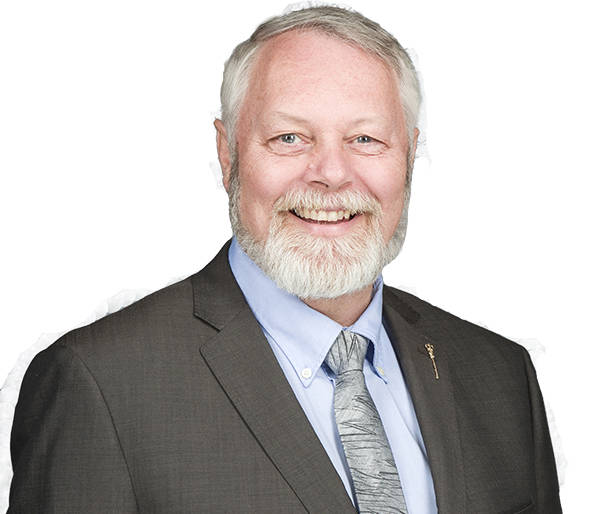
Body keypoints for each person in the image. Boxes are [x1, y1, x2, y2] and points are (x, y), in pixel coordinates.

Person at [8, 5, 561, 513]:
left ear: (410, 155)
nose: (332, 173)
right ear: (227, 153)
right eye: (290, 137)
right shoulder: (100, 384)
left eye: (366, 139)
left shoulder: (499, 374)